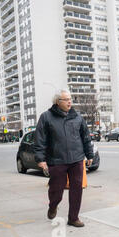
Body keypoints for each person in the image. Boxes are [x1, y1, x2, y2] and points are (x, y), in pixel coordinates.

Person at [34, 89, 93, 228]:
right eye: (66, 99)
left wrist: (89, 154)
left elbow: (85, 137)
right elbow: (39, 140)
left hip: (76, 159)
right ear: (57, 102)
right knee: (56, 190)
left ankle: (73, 218)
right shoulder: (46, 117)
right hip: (57, 160)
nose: (69, 102)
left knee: (76, 189)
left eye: (70, 99)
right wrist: (40, 159)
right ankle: (53, 206)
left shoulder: (77, 117)